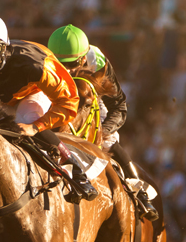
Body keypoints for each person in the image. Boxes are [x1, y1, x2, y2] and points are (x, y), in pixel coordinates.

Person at [0, 12, 97, 201]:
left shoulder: (33, 64)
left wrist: (34, 127)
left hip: (34, 92)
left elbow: (69, 101)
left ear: (4, 48)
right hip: (2, 99)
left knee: (23, 120)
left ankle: (76, 169)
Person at [47, 24, 158, 221]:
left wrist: (102, 131)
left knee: (108, 142)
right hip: (57, 102)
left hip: (90, 101)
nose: (67, 70)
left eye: (72, 64)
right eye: (61, 64)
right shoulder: (45, 61)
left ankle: (139, 192)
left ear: (83, 59)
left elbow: (119, 105)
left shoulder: (97, 61)